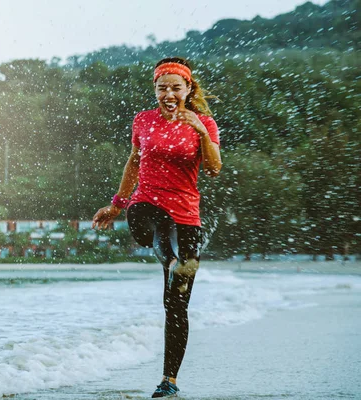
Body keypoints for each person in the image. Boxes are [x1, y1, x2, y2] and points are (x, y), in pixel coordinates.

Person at [91, 57, 222, 398]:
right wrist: (117, 203)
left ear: (188, 90)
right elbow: (133, 162)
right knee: (147, 220)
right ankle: (175, 260)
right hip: (145, 205)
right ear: (155, 90)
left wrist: (201, 131)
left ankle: (170, 381)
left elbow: (214, 168)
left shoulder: (203, 123)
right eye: (162, 87)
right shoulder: (143, 120)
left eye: (176, 87)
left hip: (186, 217)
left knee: (175, 306)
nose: (168, 93)